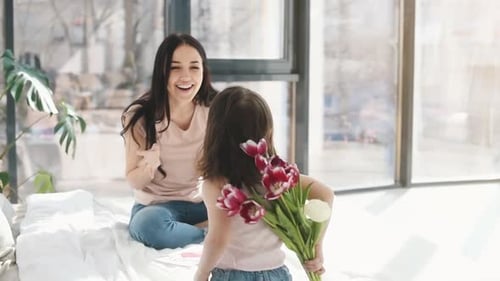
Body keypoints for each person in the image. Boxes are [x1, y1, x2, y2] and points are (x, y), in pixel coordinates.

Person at [195, 86, 335, 281]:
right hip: (276, 274)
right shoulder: (276, 178)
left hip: (233, 275)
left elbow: (218, 240)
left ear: (216, 133)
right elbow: (326, 194)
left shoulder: (216, 183)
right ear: (266, 132)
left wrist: (201, 274)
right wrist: (316, 247)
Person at [120, 33, 218, 249]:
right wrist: (148, 167)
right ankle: (210, 234)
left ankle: (205, 228)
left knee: (251, 208)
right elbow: (134, 181)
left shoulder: (214, 110)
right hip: (156, 208)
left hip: (201, 204)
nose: (186, 77)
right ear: (162, 72)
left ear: (203, 70)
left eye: (194, 67)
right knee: (147, 227)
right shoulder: (140, 116)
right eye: (175, 68)